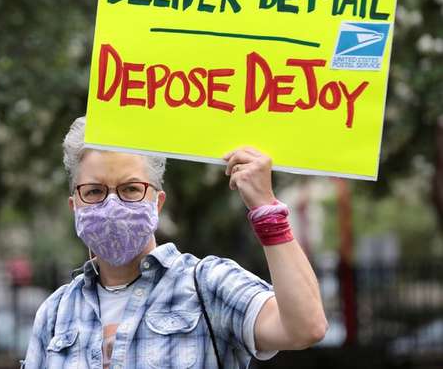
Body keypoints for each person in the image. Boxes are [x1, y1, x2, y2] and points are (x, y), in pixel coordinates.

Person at [22, 116, 328, 369]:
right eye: (94, 191)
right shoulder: (55, 312)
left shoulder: (208, 286)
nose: (112, 205)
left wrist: (266, 208)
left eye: (130, 189)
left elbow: (305, 327)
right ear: (75, 205)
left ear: (157, 202)